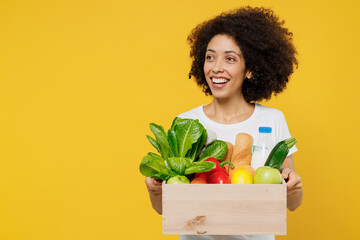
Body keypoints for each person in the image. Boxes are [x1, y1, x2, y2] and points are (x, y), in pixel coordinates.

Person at [145, 6, 303, 240]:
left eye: (230, 58)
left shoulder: (272, 120)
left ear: (249, 69)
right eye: (210, 57)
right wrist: (155, 191)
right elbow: (164, 209)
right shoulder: (187, 123)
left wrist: (294, 187)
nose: (216, 67)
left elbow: (292, 204)